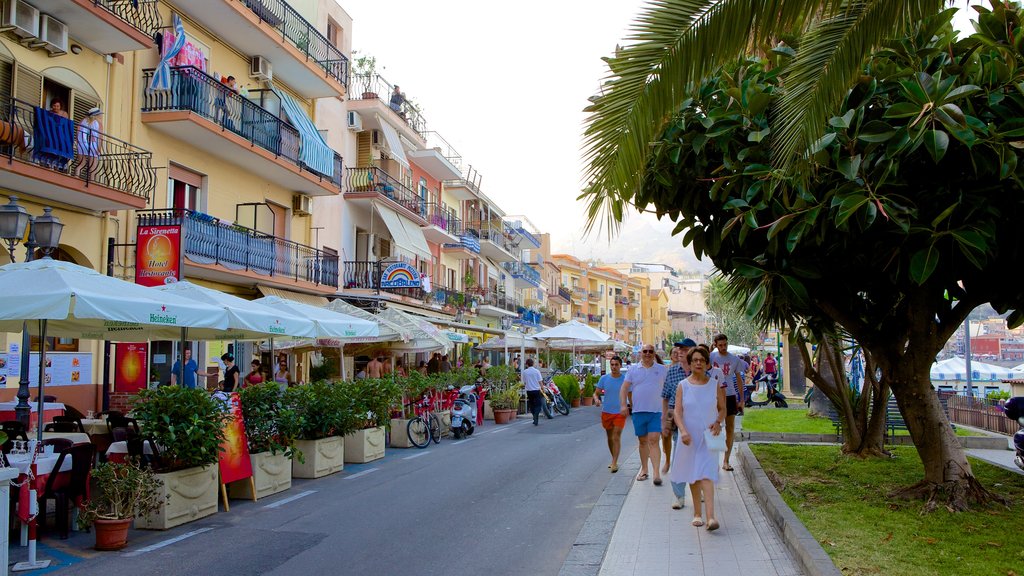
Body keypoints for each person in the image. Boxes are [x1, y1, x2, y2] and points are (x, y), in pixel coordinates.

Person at [670, 346, 726, 531]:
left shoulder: (714, 384)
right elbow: (677, 412)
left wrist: (718, 422)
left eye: (702, 360)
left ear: (707, 364)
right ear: (690, 363)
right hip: (689, 437)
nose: (699, 363)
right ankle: (697, 514)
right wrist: (683, 431)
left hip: (709, 436)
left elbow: (722, 408)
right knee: (693, 476)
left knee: (707, 473)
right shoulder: (683, 386)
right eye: (695, 360)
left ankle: (711, 517)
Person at [620, 344, 668, 485]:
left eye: (650, 351)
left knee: (653, 440)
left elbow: (669, 389)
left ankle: (656, 474)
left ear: (654, 354)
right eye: (645, 351)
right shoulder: (633, 369)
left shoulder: (662, 369)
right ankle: (645, 469)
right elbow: (624, 388)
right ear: (641, 353)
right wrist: (624, 405)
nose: (647, 354)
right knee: (642, 442)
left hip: (657, 411)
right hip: (638, 411)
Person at [662, 339, 696, 508]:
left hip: (698, 421)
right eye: (679, 348)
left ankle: (700, 490)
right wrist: (665, 420)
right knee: (679, 458)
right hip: (678, 422)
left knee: (699, 458)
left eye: (684, 348)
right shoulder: (673, 371)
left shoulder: (701, 371)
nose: (680, 351)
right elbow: (666, 397)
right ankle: (679, 495)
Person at [710, 334, 747, 471]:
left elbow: (739, 379)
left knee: (730, 428)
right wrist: (710, 348)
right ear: (715, 344)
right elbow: (700, 360)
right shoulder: (711, 357)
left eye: (725, 344)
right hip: (713, 396)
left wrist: (741, 399)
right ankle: (712, 460)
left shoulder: (734, 359)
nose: (723, 347)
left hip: (730, 395)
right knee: (712, 428)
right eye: (720, 345)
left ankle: (726, 460)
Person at [599, 356, 627, 472]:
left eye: (616, 365)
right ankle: (613, 459)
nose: (614, 367)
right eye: (612, 365)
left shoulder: (625, 380)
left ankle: (614, 463)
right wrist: (596, 399)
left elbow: (630, 395)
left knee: (616, 436)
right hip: (607, 411)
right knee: (610, 437)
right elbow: (596, 393)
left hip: (620, 412)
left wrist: (631, 406)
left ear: (620, 365)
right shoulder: (604, 379)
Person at [77, 106, 102, 178]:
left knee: (81, 164)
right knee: (93, 167)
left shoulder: (83, 121)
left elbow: (78, 133)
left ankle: (76, 177)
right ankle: (91, 182)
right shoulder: (98, 123)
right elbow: (100, 137)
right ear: (96, 115)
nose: (101, 116)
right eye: (99, 114)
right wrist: (99, 148)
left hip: (82, 143)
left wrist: (78, 143)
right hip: (93, 145)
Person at [522, 358, 544, 425]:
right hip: (536, 390)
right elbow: (540, 381)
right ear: (533, 364)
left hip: (529, 390)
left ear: (527, 364)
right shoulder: (537, 371)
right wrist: (542, 388)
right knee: (538, 405)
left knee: (531, 404)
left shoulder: (525, 372)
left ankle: (534, 416)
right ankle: (535, 416)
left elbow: (524, 382)